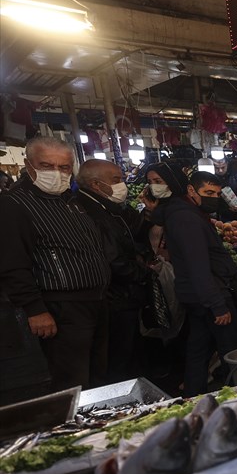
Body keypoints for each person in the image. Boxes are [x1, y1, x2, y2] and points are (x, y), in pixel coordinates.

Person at [0, 137, 111, 394]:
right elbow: (12, 264)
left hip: (95, 300)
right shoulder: (14, 205)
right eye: (47, 165)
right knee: (72, 379)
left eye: (64, 167)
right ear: (29, 166)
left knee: (97, 373)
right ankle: (74, 430)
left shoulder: (69, 199)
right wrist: (34, 309)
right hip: (61, 307)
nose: (57, 173)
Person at [151, 170, 237, 396]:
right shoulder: (187, 218)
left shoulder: (187, 213)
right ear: (191, 190)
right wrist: (217, 304)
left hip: (196, 295)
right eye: (208, 192)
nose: (213, 197)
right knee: (232, 351)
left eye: (217, 193)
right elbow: (198, 265)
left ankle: (194, 394)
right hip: (209, 295)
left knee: (199, 348)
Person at [75, 159, 151, 383]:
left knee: (121, 353)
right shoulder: (93, 213)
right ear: (96, 184)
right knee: (118, 355)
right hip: (115, 297)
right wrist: (143, 274)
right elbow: (114, 260)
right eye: (116, 180)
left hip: (117, 295)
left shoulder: (106, 206)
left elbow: (129, 230)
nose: (122, 184)